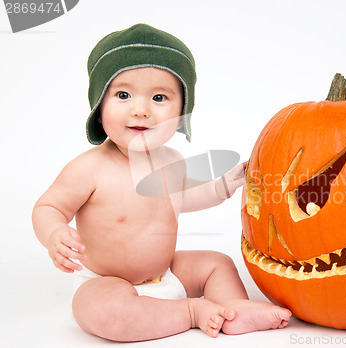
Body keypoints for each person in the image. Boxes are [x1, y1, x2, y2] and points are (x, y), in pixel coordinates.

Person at [32, 23, 291, 342]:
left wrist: (227, 183)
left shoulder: (171, 160)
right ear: (99, 108)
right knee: (107, 312)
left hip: (167, 271)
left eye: (158, 97)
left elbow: (186, 198)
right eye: (123, 95)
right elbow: (48, 206)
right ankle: (193, 312)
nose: (140, 110)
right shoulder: (89, 169)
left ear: (182, 112)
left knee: (217, 263)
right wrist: (55, 233)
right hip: (104, 280)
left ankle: (235, 308)